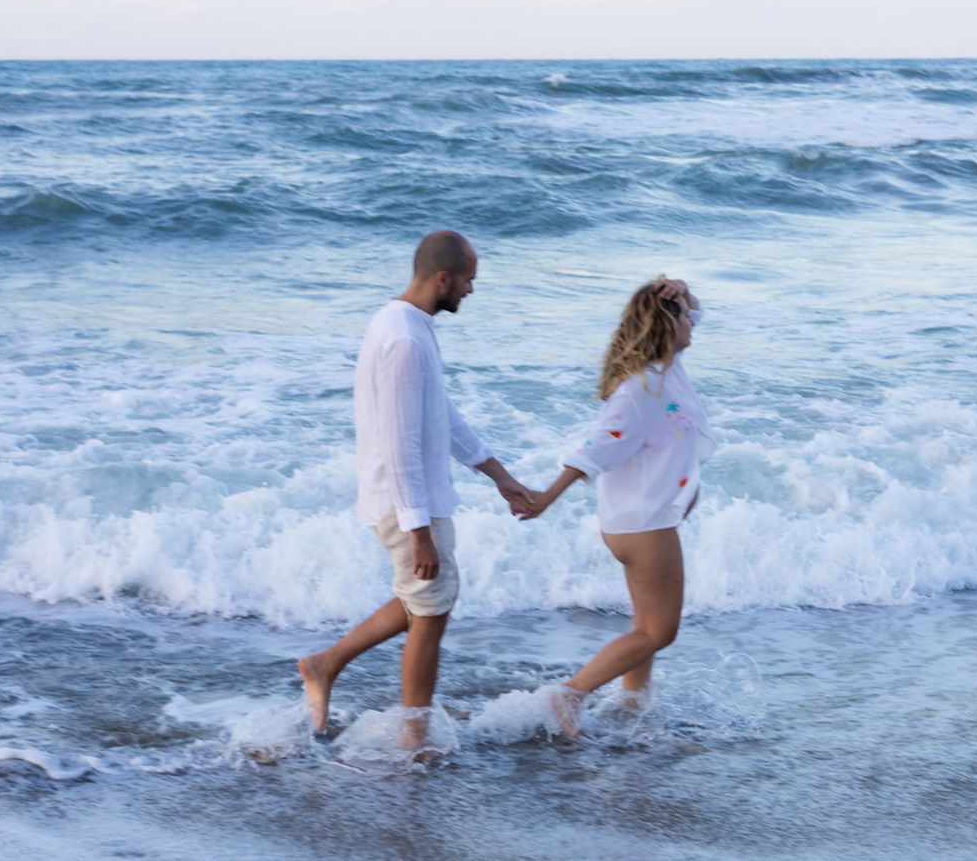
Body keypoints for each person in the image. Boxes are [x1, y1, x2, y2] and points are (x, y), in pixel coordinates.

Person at [298, 231, 535, 745]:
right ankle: (415, 738)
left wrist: (500, 476)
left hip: (412, 497)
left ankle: (325, 664)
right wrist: (419, 530)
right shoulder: (404, 338)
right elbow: (399, 442)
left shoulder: (406, 325)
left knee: (422, 602)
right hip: (408, 500)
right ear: (443, 278)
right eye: (469, 280)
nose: (472, 290)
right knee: (430, 611)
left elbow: (441, 415)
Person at [522, 277, 714, 737]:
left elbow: (698, 312)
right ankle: (569, 694)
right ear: (668, 327)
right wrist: (547, 496)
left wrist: (680, 288)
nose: (694, 321)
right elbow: (596, 448)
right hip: (644, 527)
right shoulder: (640, 389)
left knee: (643, 624)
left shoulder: (664, 372)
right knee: (659, 631)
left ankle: (633, 704)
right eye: (685, 316)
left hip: (636, 522)